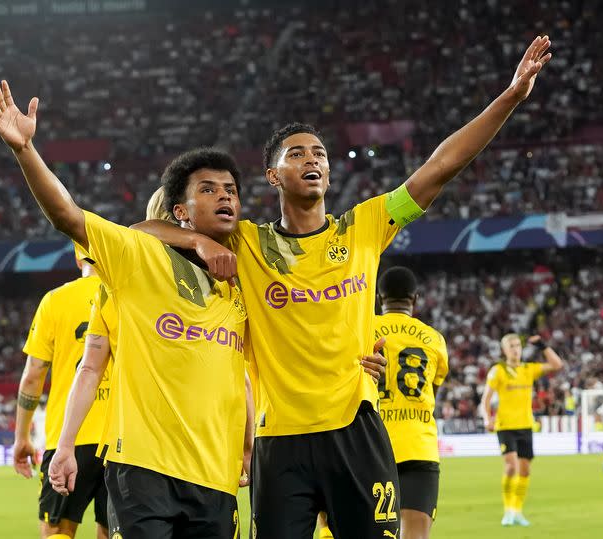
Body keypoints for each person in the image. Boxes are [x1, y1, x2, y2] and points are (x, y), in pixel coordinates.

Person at [137, 35, 553, 537]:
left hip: (355, 430)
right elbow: (140, 232)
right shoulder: (245, 242)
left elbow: (441, 166)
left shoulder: (366, 227)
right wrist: (199, 244)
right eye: (297, 153)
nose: (312, 159)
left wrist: (509, 96)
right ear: (273, 174)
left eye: (320, 153)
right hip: (281, 438)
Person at [0, 79, 253, 538]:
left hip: (216, 475)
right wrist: (25, 150)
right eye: (208, 189)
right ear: (180, 211)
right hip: (143, 468)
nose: (225, 195)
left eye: (231, 189)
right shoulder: (137, 260)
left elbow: (248, 372)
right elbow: (69, 215)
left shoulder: (249, 268)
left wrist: (248, 447)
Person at [321, 266, 449, 539]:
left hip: (369, 445)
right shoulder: (434, 339)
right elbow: (432, 392)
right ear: (414, 299)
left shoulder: (364, 328)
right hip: (419, 448)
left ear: (379, 298)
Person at [14, 252, 111, 539]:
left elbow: (33, 375)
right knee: (114, 530)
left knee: (58, 530)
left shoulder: (55, 300)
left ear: (77, 259)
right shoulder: (126, 295)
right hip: (120, 440)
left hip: (68, 438)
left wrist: (22, 437)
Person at [481, 333, 564, 527]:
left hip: (525, 425)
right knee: (511, 466)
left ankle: (517, 511)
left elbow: (557, 364)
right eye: (511, 346)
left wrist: (543, 346)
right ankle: (507, 510)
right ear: (504, 350)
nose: (516, 349)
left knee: (525, 470)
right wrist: (487, 418)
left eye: (518, 345)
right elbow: (485, 399)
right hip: (505, 426)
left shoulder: (528, 369)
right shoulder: (498, 371)